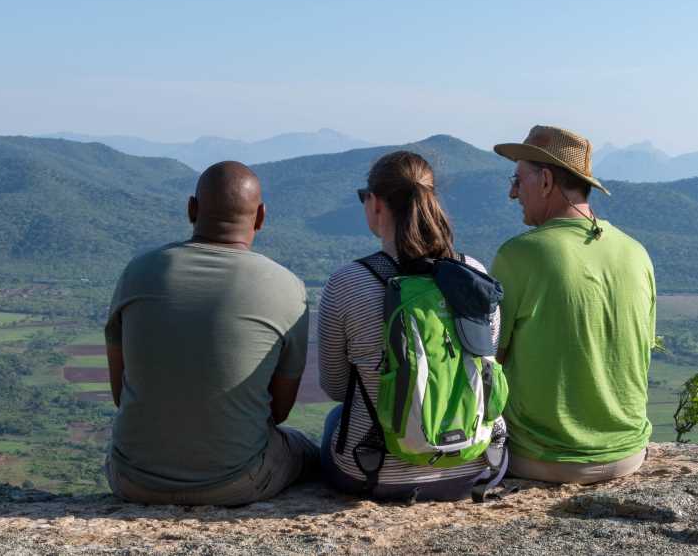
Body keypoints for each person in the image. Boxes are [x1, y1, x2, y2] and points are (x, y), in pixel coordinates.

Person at [103, 161, 318, 505]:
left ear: (191, 209)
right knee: (306, 449)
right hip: (235, 483)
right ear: (261, 217)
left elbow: (120, 394)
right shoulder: (287, 288)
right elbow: (277, 412)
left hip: (131, 480)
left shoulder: (138, 273)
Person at [318, 150, 506, 501]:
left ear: (375, 204)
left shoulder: (348, 283)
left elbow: (335, 386)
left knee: (334, 419)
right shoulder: (475, 275)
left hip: (373, 472)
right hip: (478, 466)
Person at [491, 125, 656, 484]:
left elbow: (489, 363)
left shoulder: (520, 254)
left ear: (546, 181)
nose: (512, 192)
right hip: (629, 453)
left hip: (543, 457)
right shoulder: (636, 253)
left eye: (518, 180)